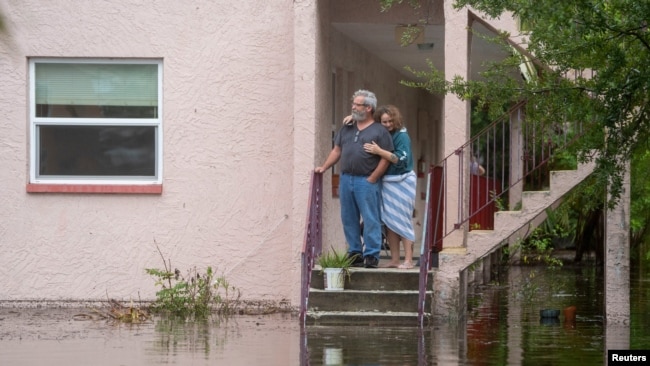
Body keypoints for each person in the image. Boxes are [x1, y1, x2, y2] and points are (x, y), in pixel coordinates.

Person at [315, 90, 394, 268]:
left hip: (366, 180)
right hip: (346, 178)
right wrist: (324, 167)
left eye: (357, 104)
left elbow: (386, 157)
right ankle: (355, 252)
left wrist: (373, 177)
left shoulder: (379, 131)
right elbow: (337, 150)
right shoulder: (347, 127)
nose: (353, 107)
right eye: (353, 103)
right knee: (348, 217)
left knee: (370, 217)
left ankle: (372, 253)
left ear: (368, 108)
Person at [359, 105, 417, 269]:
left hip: (402, 181)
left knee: (403, 220)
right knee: (390, 221)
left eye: (391, 121)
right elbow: (363, 122)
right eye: (384, 121)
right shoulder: (381, 134)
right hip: (387, 182)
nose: (388, 124)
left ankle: (408, 260)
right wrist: (351, 119)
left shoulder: (401, 135)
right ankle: (395, 259)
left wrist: (378, 151)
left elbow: (400, 159)